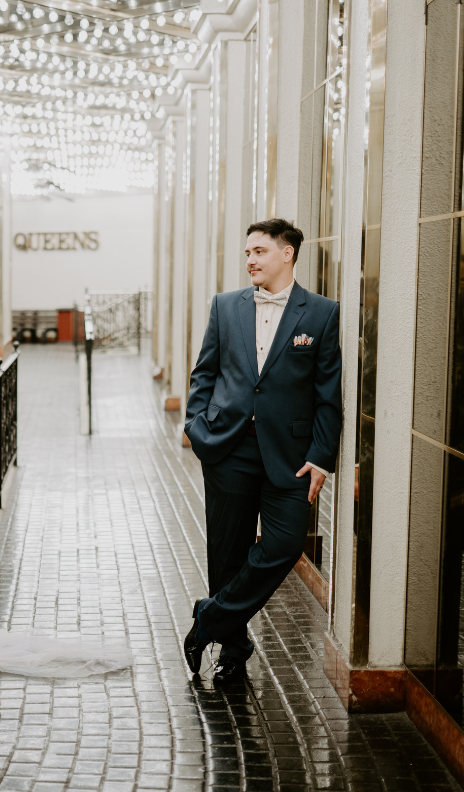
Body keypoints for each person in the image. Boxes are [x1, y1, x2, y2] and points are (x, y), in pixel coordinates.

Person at [183, 218, 343, 683]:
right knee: (227, 554)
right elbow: (204, 374)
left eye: (259, 251)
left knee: (285, 544)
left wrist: (321, 455)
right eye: (248, 252)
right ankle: (233, 653)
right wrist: (198, 428)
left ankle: (208, 619)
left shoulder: (321, 314)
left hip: (289, 457)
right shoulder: (226, 306)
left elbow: (328, 394)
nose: (250, 259)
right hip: (228, 447)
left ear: (287, 253)